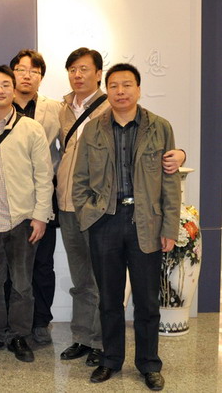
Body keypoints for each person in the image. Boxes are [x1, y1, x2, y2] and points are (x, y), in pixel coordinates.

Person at [57, 47, 185, 367]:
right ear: (107, 89)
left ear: (138, 89)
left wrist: (169, 228)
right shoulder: (93, 129)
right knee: (109, 299)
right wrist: (89, 215)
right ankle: (111, 360)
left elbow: (169, 182)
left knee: (147, 301)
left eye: (127, 85)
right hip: (106, 221)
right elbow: (80, 178)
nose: (120, 91)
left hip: (146, 221)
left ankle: (148, 363)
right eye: (113, 86)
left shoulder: (160, 127)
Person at [0, 65, 53, 363]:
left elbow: (43, 175)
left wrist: (41, 216)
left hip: (22, 220)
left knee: (22, 286)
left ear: (13, 89)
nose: (1, 90)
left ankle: (20, 336)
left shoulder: (30, 128)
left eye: (6, 84)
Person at [9, 49, 61, 345]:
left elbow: (69, 146)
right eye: (21, 69)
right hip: (8, 195)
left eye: (34, 71)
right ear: (12, 73)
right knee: (9, 264)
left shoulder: (55, 109)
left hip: (44, 193)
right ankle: (12, 321)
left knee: (42, 262)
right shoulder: (0, 105)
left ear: (41, 77)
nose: (27, 75)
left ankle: (41, 320)